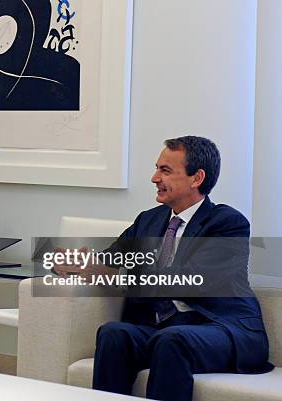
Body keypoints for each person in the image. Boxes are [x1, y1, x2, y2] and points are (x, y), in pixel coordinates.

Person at [58, 136, 271, 401]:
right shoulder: (149, 220)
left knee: (173, 339)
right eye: (157, 168)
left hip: (221, 328)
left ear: (197, 178)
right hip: (164, 330)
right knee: (114, 333)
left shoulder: (227, 223)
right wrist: (72, 264)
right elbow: (110, 261)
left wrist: (119, 276)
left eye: (165, 171)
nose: (154, 178)